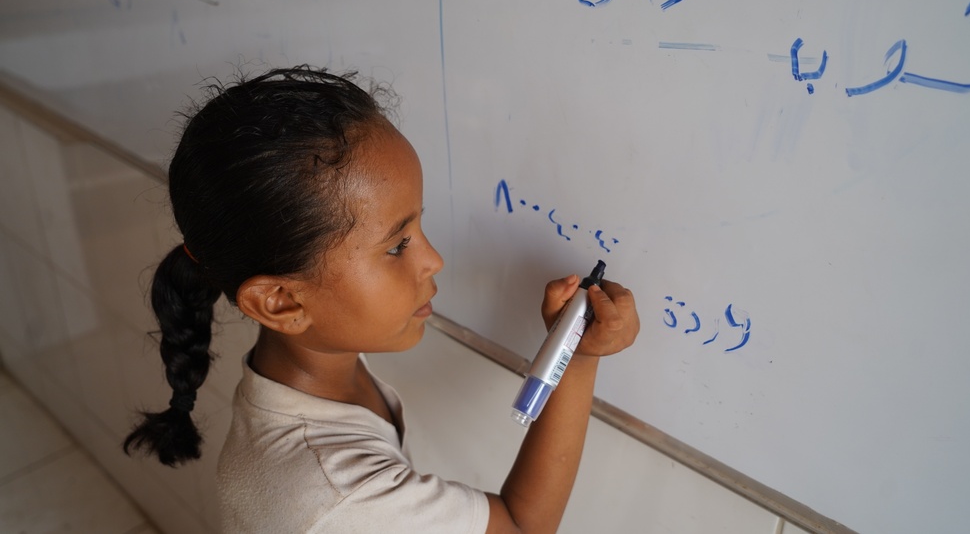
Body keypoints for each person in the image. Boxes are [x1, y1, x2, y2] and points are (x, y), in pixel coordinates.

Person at [123, 66, 640, 533]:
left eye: (419, 226)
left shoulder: (311, 362)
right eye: (397, 245)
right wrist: (579, 356)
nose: (433, 260)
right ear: (281, 302)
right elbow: (522, 528)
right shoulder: (343, 497)